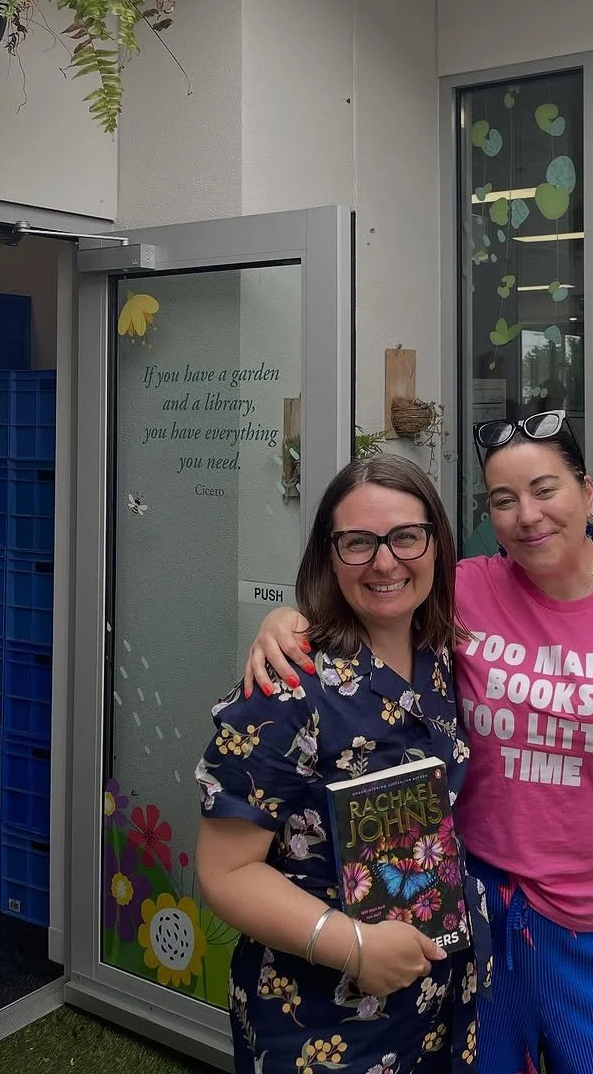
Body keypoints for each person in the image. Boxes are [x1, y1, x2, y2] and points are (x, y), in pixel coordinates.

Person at [242, 411, 593, 1073]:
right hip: (476, 914)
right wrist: (286, 620)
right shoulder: (465, 588)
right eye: (503, 500)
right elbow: (375, 592)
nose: (527, 515)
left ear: (586, 492)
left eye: (545, 489)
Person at [194, 454, 484, 1074]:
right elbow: (224, 871)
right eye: (359, 542)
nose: (385, 561)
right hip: (321, 1022)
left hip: (441, 1002)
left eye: (406, 536)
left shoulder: (444, 657)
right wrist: (352, 946)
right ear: (330, 554)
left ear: (437, 542)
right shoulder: (287, 685)